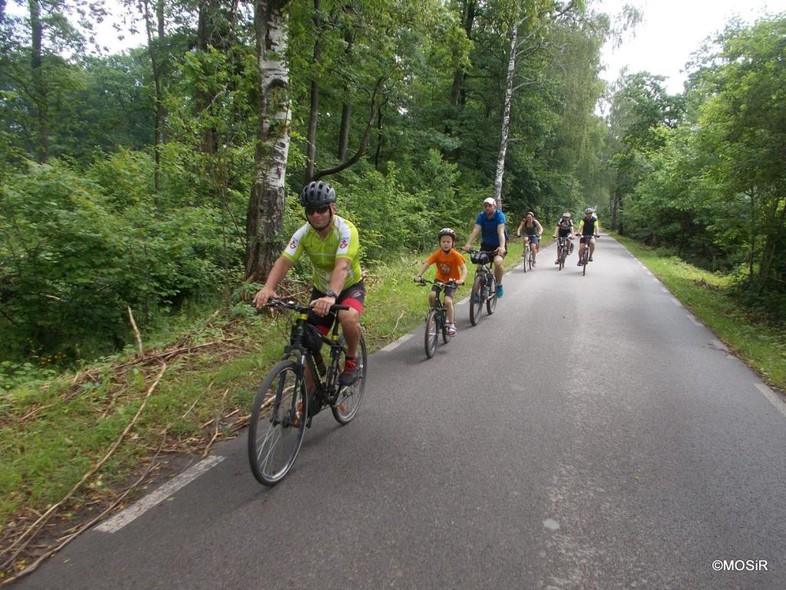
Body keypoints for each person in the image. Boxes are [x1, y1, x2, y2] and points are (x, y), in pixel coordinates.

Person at [253, 180, 365, 386]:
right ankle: (307, 401)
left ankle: (351, 358)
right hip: (321, 290)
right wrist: (268, 287)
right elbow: (284, 261)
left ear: (333, 208)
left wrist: (331, 296)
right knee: (304, 340)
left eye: (322, 208)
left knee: (347, 316)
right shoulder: (303, 233)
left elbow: (342, 266)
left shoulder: (347, 231)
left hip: (349, 287)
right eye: (311, 210)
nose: (316, 215)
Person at [414, 228, 468, 336]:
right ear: (440, 243)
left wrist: (461, 279)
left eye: (448, 241)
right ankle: (433, 312)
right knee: (432, 295)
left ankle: (451, 324)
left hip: (452, 281)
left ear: (453, 243)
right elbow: (427, 264)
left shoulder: (455, 255)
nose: (446, 244)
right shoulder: (437, 254)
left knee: (448, 301)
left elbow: (464, 268)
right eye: (443, 241)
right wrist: (419, 275)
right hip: (439, 279)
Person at [462, 197, 507, 298]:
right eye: (485, 206)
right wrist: (468, 244)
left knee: (498, 262)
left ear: (494, 206)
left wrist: (502, 246)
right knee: (480, 267)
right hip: (486, 245)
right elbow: (476, 230)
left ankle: (499, 284)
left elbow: (501, 232)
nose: (487, 208)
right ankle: (476, 293)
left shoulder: (500, 216)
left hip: (498, 245)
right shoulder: (481, 216)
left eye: (490, 206)